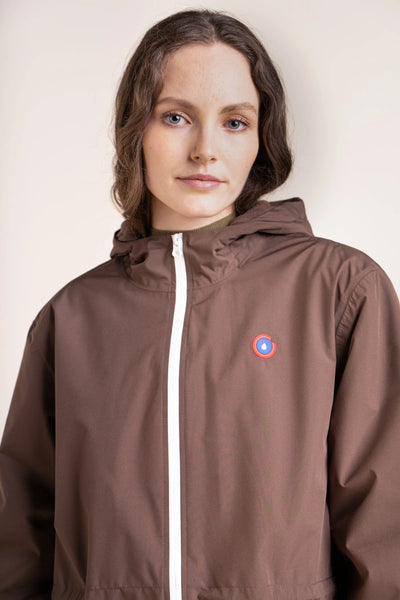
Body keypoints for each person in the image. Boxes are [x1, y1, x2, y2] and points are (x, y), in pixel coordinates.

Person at [0, 8, 399, 600]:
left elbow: (384, 531)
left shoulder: (341, 290)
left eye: (235, 121)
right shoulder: (71, 318)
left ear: (262, 138)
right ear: (137, 129)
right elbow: (20, 542)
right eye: (176, 116)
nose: (205, 149)